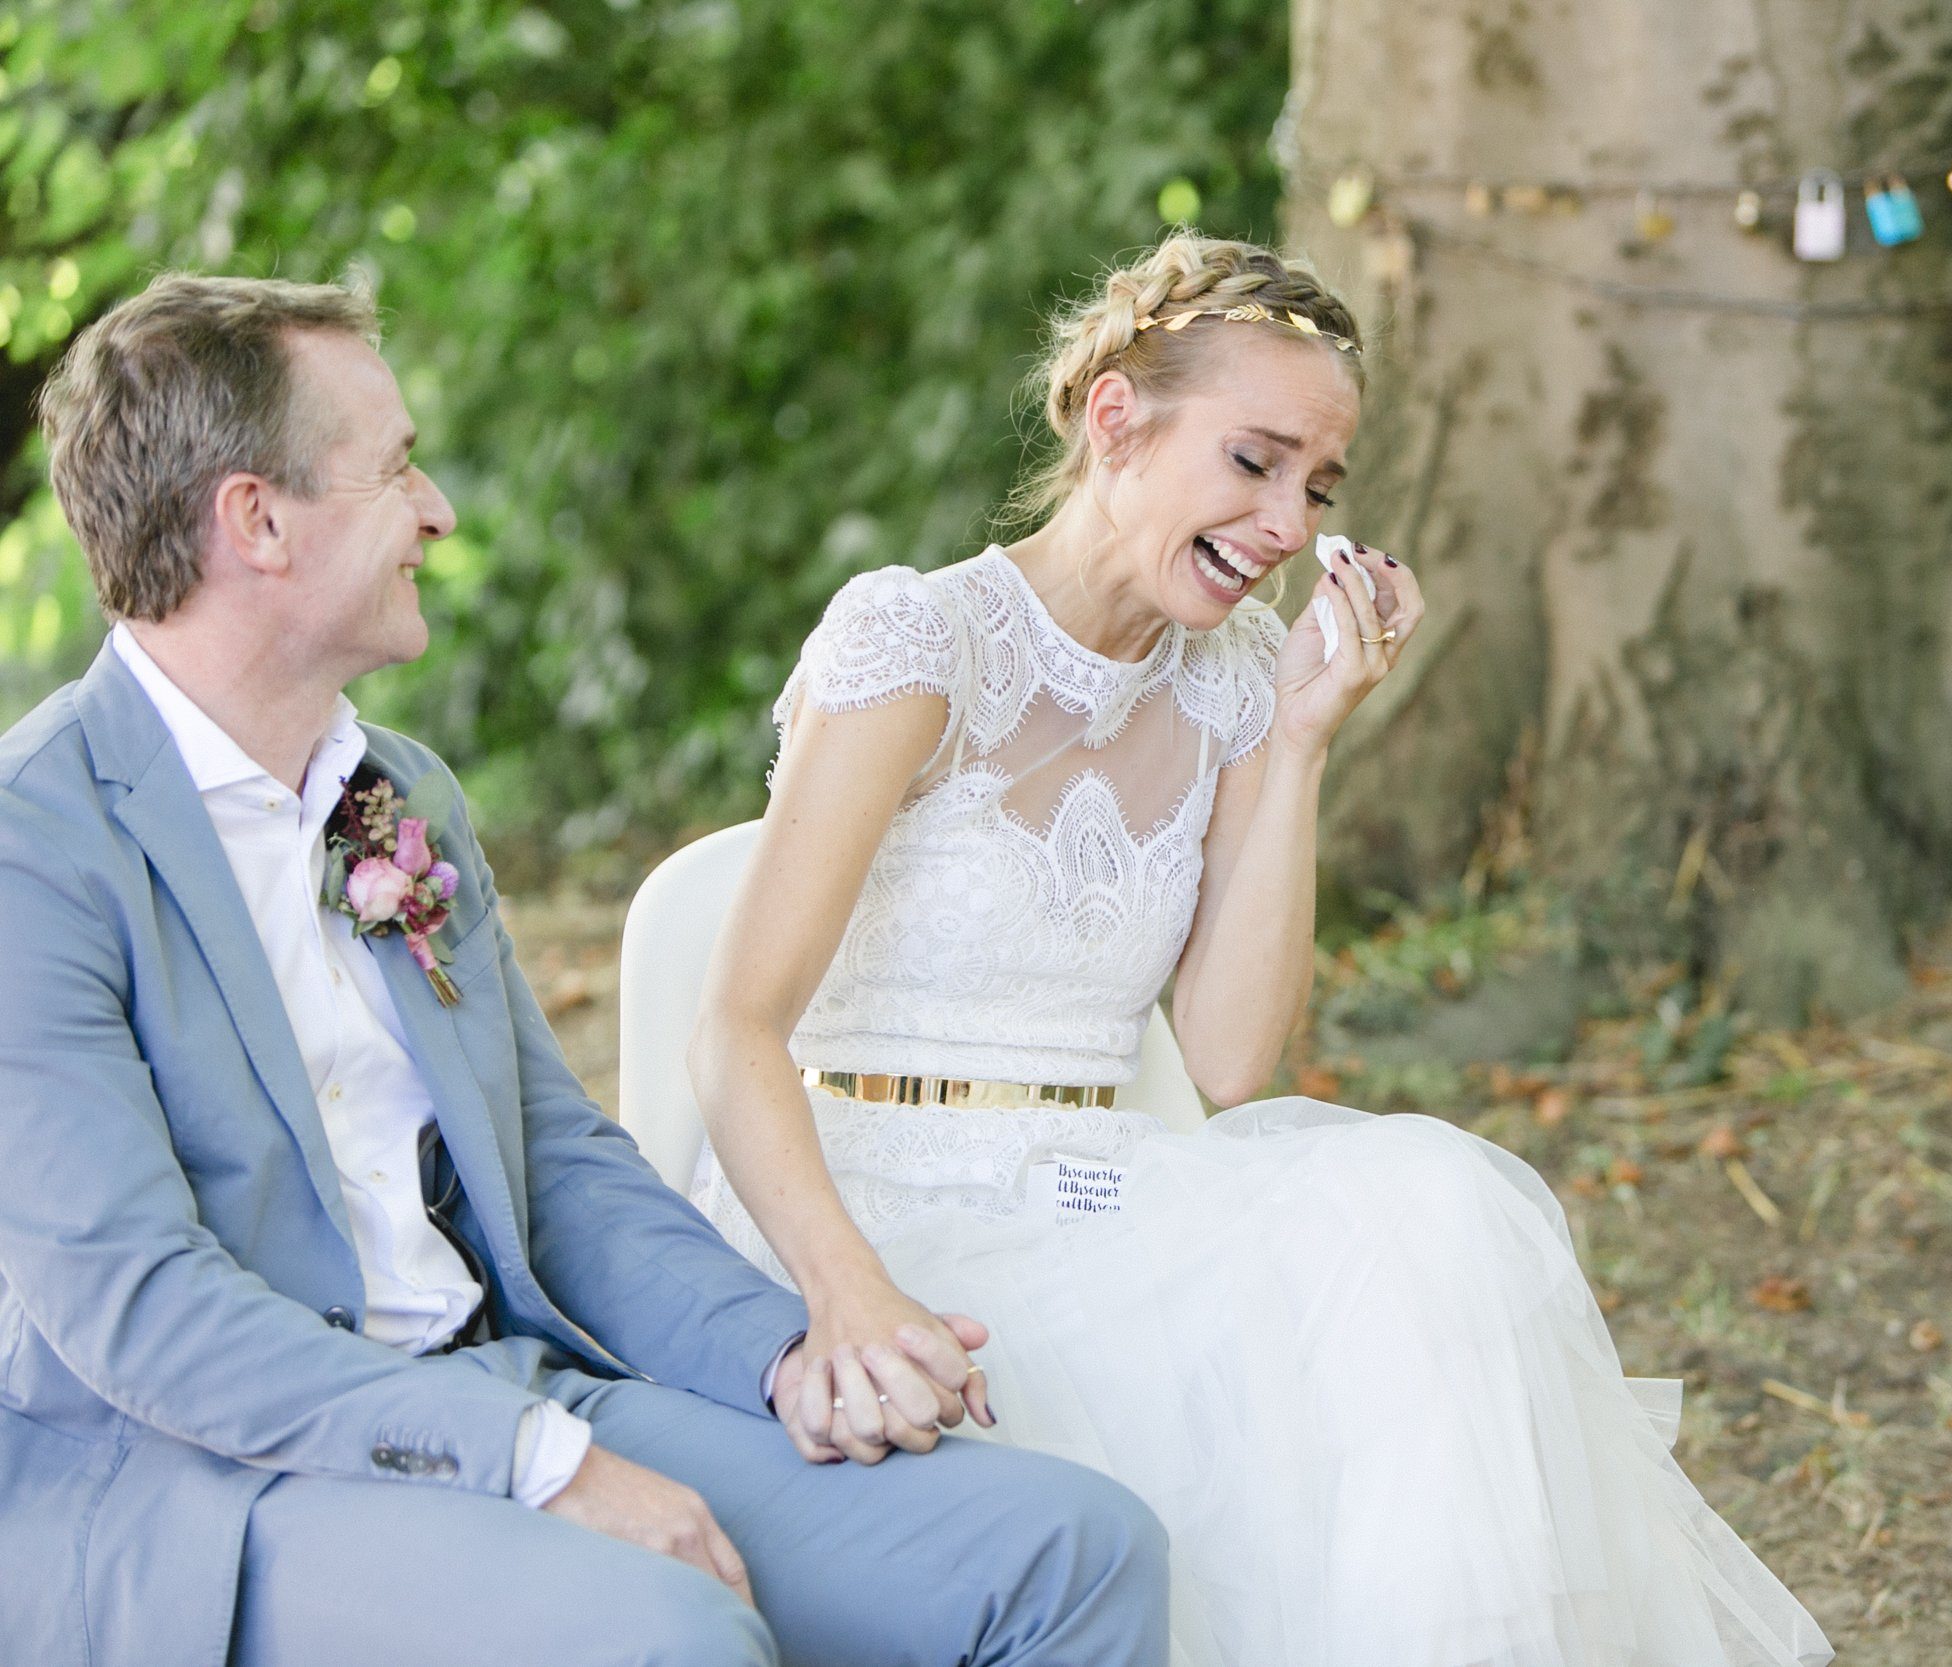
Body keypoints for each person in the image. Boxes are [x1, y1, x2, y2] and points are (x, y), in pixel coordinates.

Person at [688, 233, 1836, 1667]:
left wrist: (1301, 739)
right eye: (1255, 462)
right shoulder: (922, 642)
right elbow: (736, 1027)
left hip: (1104, 1196)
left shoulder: (1232, 682)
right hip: (869, 1207)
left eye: (1318, 487)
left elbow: (1230, 1061)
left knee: (1430, 1216)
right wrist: (847, 1291)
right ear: (1117, 420)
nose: (1290, 524)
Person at [0, 273, 1170, 1667]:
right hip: (213, 1490)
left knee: (1074, 1553)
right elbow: (141, 1311)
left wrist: (790, 1356)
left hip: (502, 1385)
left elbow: (551, 1163)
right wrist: (534, 1460)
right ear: (257, 520)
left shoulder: (399, 797)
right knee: (666, 1637)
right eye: (395, 469)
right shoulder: (36, 845)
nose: (436, 510)